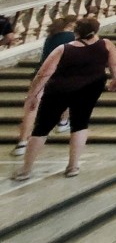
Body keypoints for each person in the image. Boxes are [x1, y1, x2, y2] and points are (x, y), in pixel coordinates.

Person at [11, 18, 116, 181]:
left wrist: (33, 95)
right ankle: (73, 167)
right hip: (90, 89)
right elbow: (114, 64)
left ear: (76, 31)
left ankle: (26, 170)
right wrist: (115, 79)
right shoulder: (106, 44)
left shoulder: (63, 49)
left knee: (42, 128)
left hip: (59, 90)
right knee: (80, 124)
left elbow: (43, 73)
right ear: (96, 30)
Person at [11, 16, 77, 157]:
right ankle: (63, 122)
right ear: (71, 25)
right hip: (61, 74)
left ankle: (22, 143)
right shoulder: (72, 36)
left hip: (41, 74)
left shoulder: (50, 37)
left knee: (31, 109)